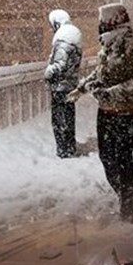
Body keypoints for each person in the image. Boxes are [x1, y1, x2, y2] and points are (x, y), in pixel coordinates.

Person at [73, 3, 133, 221]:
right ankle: (123, 193)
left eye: (103, 20)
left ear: (113, 20)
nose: (100, 24)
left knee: (123, 157)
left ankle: (130, 206)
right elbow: (100, 73)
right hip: (106, 111)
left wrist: (109, 94)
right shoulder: (107, 47)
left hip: (127, 111)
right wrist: (82, 87)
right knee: (106, 156)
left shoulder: (131, 47)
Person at [43, 9, 83, 158]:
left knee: (60, 120)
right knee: (68, 117)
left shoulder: (63, 40)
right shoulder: (74, 38)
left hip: (60, 87)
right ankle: (69, 147)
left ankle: (64, 150)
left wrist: (49, 71)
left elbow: (60, 63)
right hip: (71, 85)